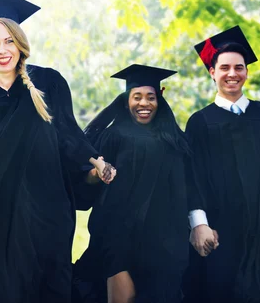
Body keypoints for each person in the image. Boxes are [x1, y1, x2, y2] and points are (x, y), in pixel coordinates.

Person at [0, 0, 116, 303]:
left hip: (43, 209)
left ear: (20, 42)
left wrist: (96, 161)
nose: (2, 48)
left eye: (9, 40)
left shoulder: (48, 81)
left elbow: (68, 133)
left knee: (39, 287)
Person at [183, 26, 260, 303]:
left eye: (239, 67)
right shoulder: (201, 122)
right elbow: (193, 176)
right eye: (224, 67)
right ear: (212, 73)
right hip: (225, 233)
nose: (232, 74)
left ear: (247, 72)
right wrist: (198, 223)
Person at [72, 64, 190, 303]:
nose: (144, 104)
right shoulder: (113, 135)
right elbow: (85, 181)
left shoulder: (175, 140)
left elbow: (186, 188)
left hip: (163, 241)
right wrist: (96, 174)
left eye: (150, 97)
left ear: (161, 97)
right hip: (118, 236)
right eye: (137, 97)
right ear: (127, 101)